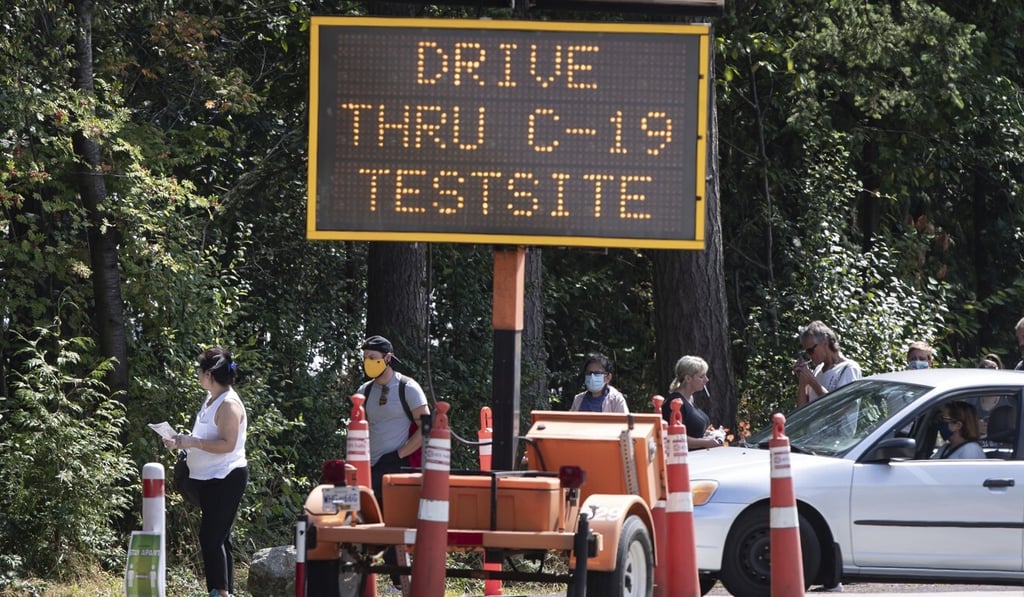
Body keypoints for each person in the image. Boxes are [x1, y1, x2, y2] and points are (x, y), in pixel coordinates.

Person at [164, 347, 248, 597]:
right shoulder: (212, 397)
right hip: (209, 479)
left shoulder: (229, 405)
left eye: (200, 371)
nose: (198, 375)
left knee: (211, 539)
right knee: (221, 539)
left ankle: (219, 592)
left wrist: (193, 443)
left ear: (210, 374)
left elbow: (228, 444)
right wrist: (179, 442)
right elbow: (203, 436)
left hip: (227, 479)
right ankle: (224, 591)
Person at [358, 335, 429, 589]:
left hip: (398, 465)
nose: (369, 363)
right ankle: (384, 579)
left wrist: (397, 455)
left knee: (391, 523)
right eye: (366, 358)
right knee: (366, 521)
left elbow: (427, 427)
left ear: (387, 359)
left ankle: (401, 580)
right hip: (369, 465)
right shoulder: (364, 390)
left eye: (374, 358)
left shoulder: (408, 387)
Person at [794, 320, 863, 407]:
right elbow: (802, 409)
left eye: (810, 350)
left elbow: (840, 410)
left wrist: (813, 382)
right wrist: (803, 379)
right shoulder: (818, 370)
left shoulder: (849, 368)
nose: (808, 355)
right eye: (806, 352)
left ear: (825, 343)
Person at [660, 356, 723, 449]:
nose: (706, 380)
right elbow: (674, 437)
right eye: (701, 376)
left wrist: (710, 435)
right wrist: (705, 442)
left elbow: (693, 431)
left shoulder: (690, 399)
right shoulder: (675, 403)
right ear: (688, 379)